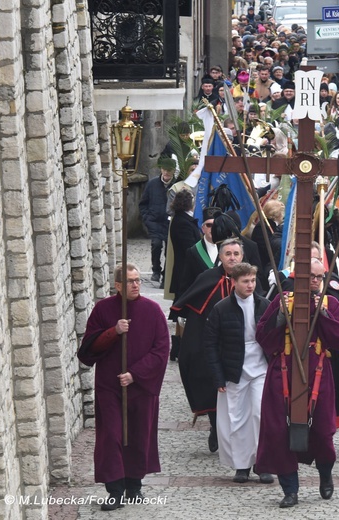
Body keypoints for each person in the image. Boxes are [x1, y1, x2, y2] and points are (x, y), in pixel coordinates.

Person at [254, 259, 339, 508]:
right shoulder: (282, 300)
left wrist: (324, 314)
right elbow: (262, 335)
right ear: (298, 277)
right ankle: (290, 489)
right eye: (311, 277)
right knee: (278, 431)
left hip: (318, 371)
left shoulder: (330, 302)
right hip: (283, 370)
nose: (316, 282)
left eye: (320, 277)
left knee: (322, 430)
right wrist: (280, 317)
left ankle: (325, 472)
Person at [78, 263, 169, 510]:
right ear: (118, 285)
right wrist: (113, 331)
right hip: (110, 386)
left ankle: (134, 486)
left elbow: (161, 350)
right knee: (112, 436)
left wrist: (136, 374)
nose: (136, 284)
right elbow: (87, 351)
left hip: (140, 387)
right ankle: (115, 490)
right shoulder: (103, 309)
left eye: (138, 280)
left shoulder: (153, 311)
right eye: (130, 281)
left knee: (138, 434)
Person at [168, 238, 246, 453]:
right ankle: (215, 427)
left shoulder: (249, 279)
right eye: (228, 253)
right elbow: (193, 312)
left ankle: (237, 434)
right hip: (211, 344)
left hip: (239, 345)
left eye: (236, 254)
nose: (232, 257)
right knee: (212, 386)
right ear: (220, 257)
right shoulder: (208, 278)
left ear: (242, 256)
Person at [203, 263, 273, 484]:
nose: (250, 285)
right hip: (234, 368)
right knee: (238, 418)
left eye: (253, 280)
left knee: (260, 414)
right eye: (245, 281)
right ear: (234, 282)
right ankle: (242, 465)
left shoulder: (265, 305)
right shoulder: (221, 309)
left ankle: (263, 463)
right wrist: (217, 376)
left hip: (260, 367)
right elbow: (210, 344)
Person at [139, 158, 175, 284]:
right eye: (164, 170)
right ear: (161, 169)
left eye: (169, 171)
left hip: (170, 223)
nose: (166, 173)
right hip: (154, 222)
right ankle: (156, 270)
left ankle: (166, 272)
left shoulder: (176, 185)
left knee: (168, 250)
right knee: (156, 245)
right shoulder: (152, 184)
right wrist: (147, 218)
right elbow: (143, 203)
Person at [167, 190, 201, 298]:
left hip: (187, 270)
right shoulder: (183, 223)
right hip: (185, 271)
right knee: (180, 304)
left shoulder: (184, 219)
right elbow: (190, 248)